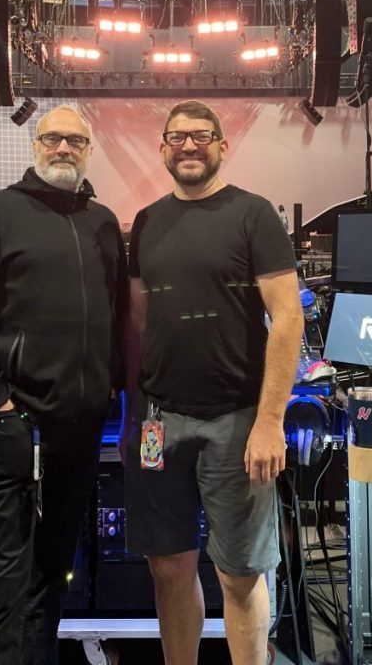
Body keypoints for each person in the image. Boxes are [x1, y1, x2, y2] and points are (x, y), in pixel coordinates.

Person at [0, 105, 127, 665]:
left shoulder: (103, 223)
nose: (63, 148)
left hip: (80, 431)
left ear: (89, 150)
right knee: (4, 579)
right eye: (53, 139)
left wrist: (109, 387)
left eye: (75, 140)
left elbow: (116, 318)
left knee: (53, 572)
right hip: (15, 427)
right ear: (35, 146)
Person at [122, 99, 304, 665]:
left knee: (239, 574)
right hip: (158, 422)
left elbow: (287, 317)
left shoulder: (253, 215)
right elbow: (137, 322)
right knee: (168, 568)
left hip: (236, 421)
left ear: (223, 145)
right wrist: (135, 415)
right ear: (163, 149)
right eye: (177, 137)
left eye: (202, 136)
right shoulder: (147, 221)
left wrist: (270, 421)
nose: (189, 146)